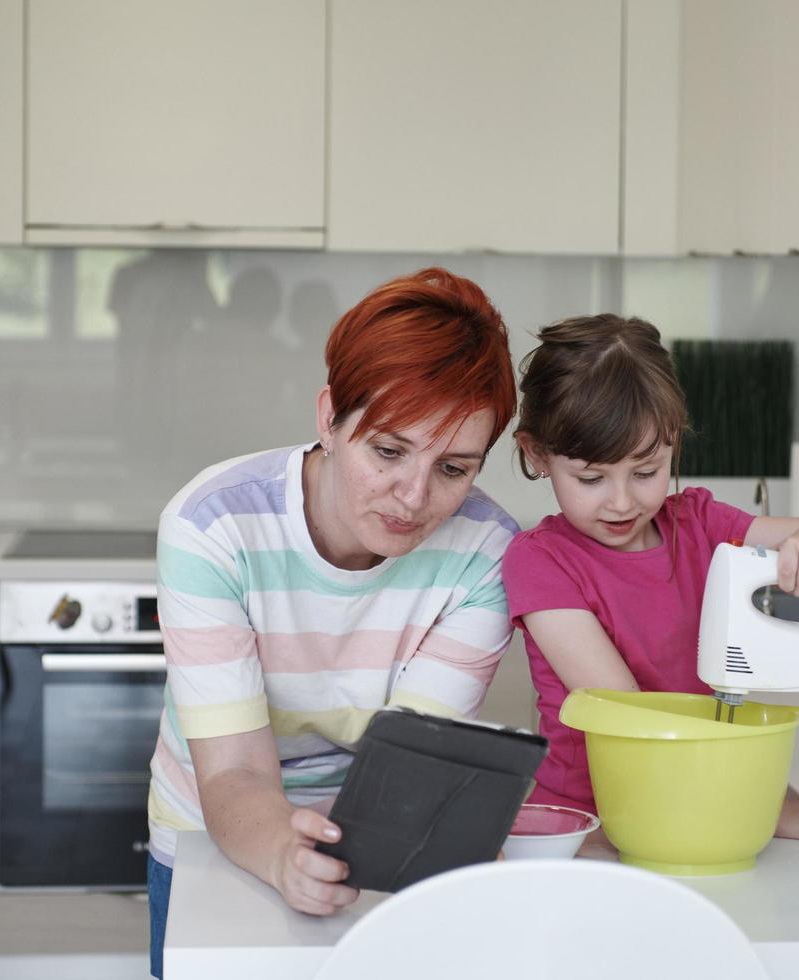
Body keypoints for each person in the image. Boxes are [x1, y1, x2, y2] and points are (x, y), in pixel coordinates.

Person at [145, 268, 520, 977]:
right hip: (216, 838)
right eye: (388, 451)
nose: (413, 497)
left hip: (384, 843)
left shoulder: (488, 552)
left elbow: (408, 769)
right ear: (329, 417)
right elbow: (234, 774)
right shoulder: (213, 525)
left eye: (455, 468)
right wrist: (287, 851)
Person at [502, 314, 799, 847]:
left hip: (707, 786)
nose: (622, 501)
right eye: (591, 478)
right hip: (592, 820)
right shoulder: (540, 561)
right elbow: (627, 714)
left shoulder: (701, 525)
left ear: (673, 444)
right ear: (536, 455)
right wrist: (765, 807)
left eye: (646, 471)